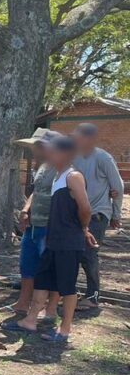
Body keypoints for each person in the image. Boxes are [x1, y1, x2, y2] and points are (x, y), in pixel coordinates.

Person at [1, 136, 98, 343]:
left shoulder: (73, 176)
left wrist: (82, 228)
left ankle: (64, 330)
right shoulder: (56, 177)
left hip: (68, 241)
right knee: (43, 279)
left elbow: (85, 208)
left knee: (66, 285)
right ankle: (30, 320)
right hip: (53, 239)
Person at [10, 129, 60, 322]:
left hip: (50, 226)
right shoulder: (42, 167)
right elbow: (36, 192)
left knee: (49, 267)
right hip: (33, 224)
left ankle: (50, 309)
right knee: (27, 265)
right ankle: (23, 303)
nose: (33, 151)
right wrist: (26, 209)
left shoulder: (62, 168)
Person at [72, 122, 123, 310]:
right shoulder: (73, 157)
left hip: (97, 213)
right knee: (72, 254)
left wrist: (115, 213)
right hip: (75, 213)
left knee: (89, 253)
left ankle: (93, 295)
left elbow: (117, 186)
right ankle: (70, 293)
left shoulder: (103, 157)